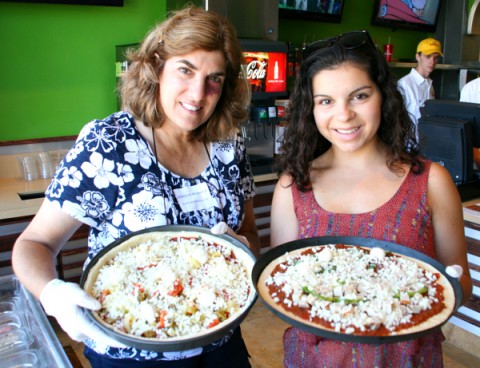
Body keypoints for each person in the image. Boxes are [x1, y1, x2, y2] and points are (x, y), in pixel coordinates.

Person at [12, 6, 260, 368]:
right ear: (157, 66)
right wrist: (52, 294)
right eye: (185, 70)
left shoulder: (228, 143)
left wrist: (243, 248)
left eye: (214, 79)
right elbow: (34, 243)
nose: (198, 93)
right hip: (133, 352)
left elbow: (249, 233)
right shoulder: (108, 144)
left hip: (220, 343)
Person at [270, 29, 472, 367]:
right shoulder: (293, 187)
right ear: (311, 109)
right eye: (326, 101)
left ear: (383, 95)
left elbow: (460, 281)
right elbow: (282, 287)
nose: (344, 114)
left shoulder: (431, 182)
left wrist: (405, 299)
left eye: (359, 96)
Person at [397, 37, 443, 140]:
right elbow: (395, 121)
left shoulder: (430, 85)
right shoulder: (404, 85)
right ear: (418, 56)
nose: (432, 61)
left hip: (426, 144)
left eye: (435, 58)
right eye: (428, 56)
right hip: (408, 148)